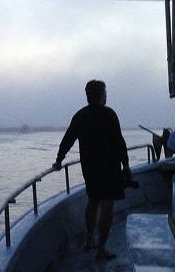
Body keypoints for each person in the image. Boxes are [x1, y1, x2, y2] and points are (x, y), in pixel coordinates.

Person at [52, 80, 131, 260]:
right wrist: (126, 165)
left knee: (93, 200)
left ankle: (89, 239)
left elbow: (68, 139)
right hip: (110, 167)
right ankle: (101, 249)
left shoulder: (80, 116)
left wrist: (59, 160)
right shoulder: (110, 114)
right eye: (105, 92)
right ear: (102, 95)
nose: (106, 96)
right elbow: (119, 142)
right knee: (107, 204)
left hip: (89, 167)